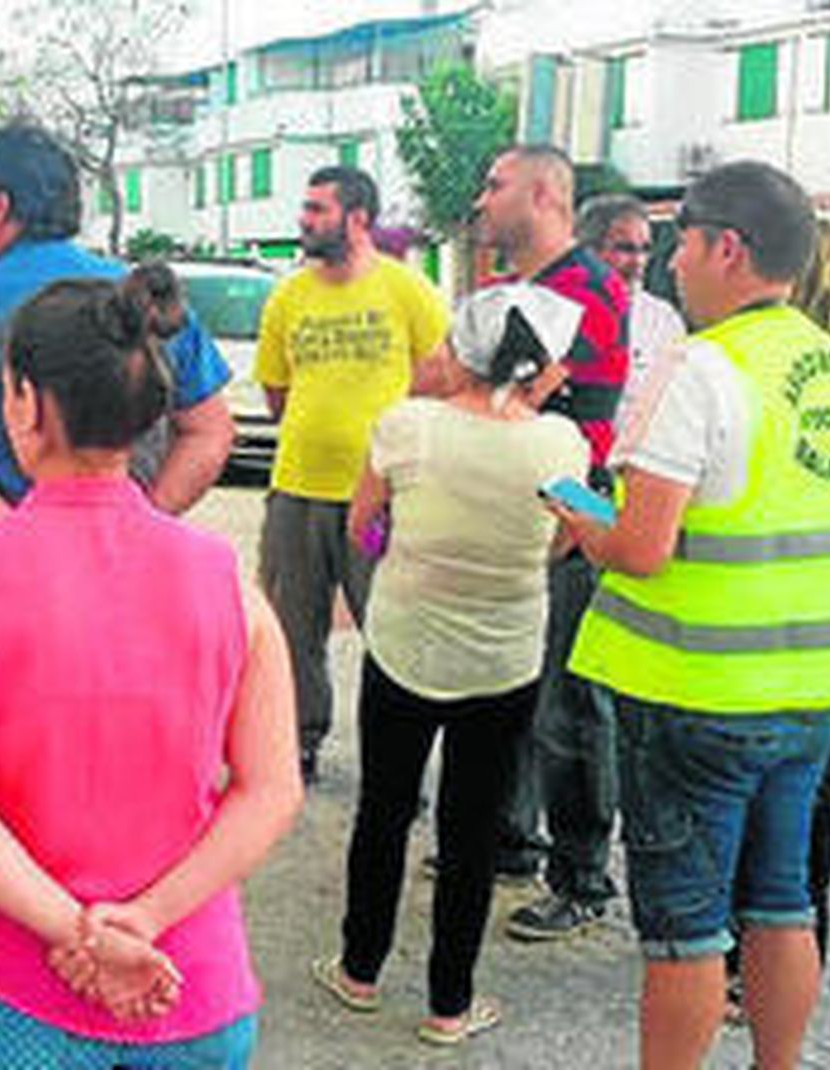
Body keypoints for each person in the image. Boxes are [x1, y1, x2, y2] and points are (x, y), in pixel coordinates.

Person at [0, 267, 301, 1068]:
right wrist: (142, 923)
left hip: (19, 988)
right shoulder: (227, 577)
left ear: (26, 401)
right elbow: (272, 789)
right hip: (191, 984)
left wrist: (78, 931)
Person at [560, 161, 830, 1070]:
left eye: (681, 245)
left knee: (685, 931)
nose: (670, 268)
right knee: (781, 903)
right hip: (814, 691)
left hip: (695, 694)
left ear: (726, 248)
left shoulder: (700, 367)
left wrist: (585, 522)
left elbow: (643, 547)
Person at [310, 283, 589, 1047]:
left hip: (404, 642)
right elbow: (564, 543)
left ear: (462, 349)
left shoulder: (406, 425)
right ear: (541, 364)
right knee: (472, 831)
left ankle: (359, 970)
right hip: (504, 654)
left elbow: (363, 523)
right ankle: (448, 1005)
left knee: (385, 809)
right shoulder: (563, 445)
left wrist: (404, 542)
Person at [0, 122, 233, 525]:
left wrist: (18, 543)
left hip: (4, 573)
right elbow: (210, 432)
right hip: (127, 566)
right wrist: (144, 526)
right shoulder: (139, 295)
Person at [720, 217, 830, 1025]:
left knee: (752, 825)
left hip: (747, 646)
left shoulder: (744, 372)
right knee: (802, 824)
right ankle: (785, 961)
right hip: (826, 640)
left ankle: (743, 964)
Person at [473, 144, 632, 925]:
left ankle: (582, 878)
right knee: (520, 684)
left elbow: (557, 418)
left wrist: (570, 524)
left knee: (571, 704)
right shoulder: (527, 289)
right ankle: (510, 837)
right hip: (528, 506)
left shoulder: (583, 292)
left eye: (496, 186)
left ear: (541, 195)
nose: (482, 200)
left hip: (575, 510)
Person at [253, 164, 450, 782]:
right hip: (297, 489)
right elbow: (276, 391)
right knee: (293, 627)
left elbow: (442, 374)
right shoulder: (289, 294)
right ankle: (299, 746)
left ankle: (397, 763)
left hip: (382, 495)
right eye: (305, 207)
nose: (304, 220)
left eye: (318, 209)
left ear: (358, 217)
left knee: (390, 627)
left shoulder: (406, 289)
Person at [577, 193, 686, 409]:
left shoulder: (662, 319)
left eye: (645, 249)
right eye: (625, 249)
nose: (639, 262)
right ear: (589, 252)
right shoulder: (555, 312)